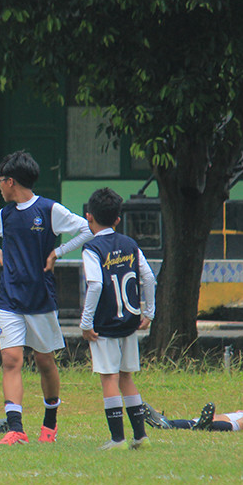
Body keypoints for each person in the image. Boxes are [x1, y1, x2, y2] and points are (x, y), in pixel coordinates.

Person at [0, 150, 92, 445]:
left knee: (44, 361)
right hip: (9, 297)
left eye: (0, 181)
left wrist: (58, 252)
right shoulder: (6, 214)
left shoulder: (49, 210)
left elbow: (86, 229)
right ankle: (15, 428)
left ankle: (49, 425)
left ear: (11, 181)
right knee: (11, 359)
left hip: (40, 298)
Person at [79, 188, 156, 450]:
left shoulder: (92, 248)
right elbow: (148, 278)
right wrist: (149, 312)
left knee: (109, 378)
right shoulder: (130, 245)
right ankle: (140, 436)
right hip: (129, 323)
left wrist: (86, 323)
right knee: (127, 377)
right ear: (117, 220)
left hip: (105, 325)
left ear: (89, 217)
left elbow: (96, 285)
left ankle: (117, 439)